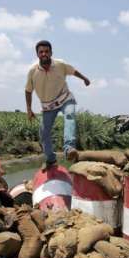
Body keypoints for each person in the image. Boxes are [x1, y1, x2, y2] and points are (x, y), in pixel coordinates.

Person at [25, 40, 90, 169]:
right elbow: (28, 91)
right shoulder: (33, 71)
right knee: (44, 133)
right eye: (41, 52)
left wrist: (84, 78)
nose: (44, 54)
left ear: (51, 53)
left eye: (46, 51)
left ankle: (69, 148)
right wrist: (29, 109)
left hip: (65, 98)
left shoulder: (60, 64)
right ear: (37, 54)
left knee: (70, 115)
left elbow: (73, 71)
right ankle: (50, 159)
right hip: (48, 106)